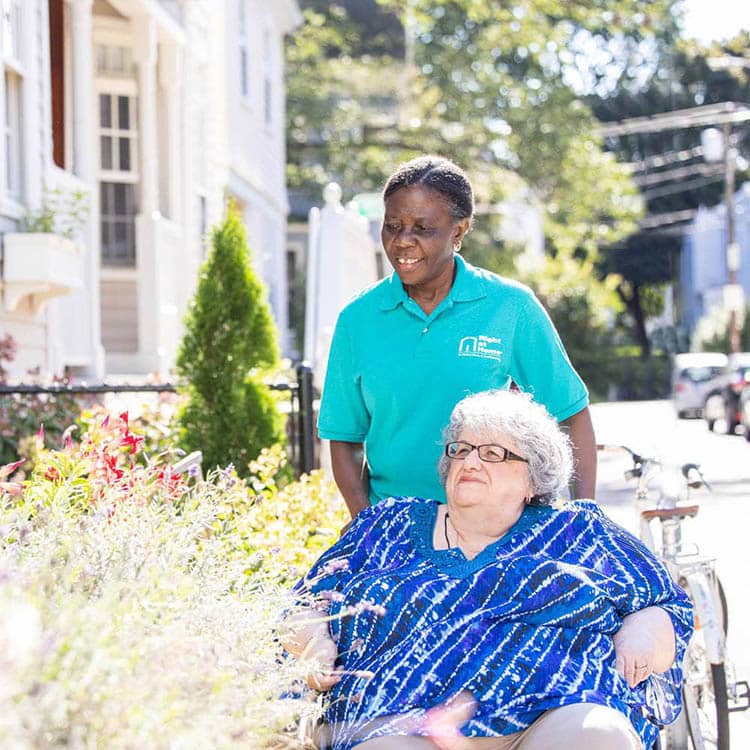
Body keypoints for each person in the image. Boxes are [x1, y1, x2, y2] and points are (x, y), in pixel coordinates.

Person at [285, 390, 692, 750]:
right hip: (401, 725)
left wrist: (644, 629)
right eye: (461, 450)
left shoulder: (577, 530)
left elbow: (666, 601)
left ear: (533, 478)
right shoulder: (386, 526)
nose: (471, 460)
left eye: (493, 453)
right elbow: (305, 599)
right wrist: (313, 641)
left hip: (553, 715)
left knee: (600, 737)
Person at [318, 155, 596, 518]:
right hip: (397, 526)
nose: (403, 241)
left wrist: (584, 513)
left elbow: (569, 414)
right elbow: (346, 438)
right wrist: (364, 520)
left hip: (497, 528)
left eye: (422, 228)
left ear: (459, 231)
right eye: (392, 225)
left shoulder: (510, 307)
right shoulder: (357, 320)